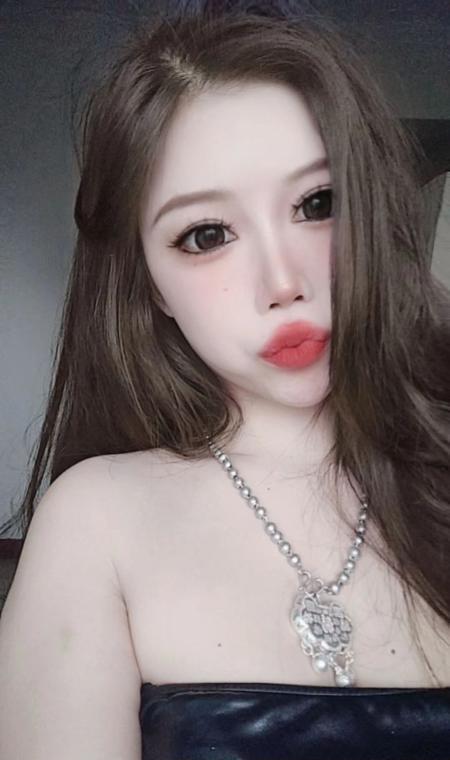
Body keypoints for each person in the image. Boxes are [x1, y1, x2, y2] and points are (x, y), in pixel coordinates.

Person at [0, 0, 449, 757]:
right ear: (151, 287)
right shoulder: (96, 524)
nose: (283, 282)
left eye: (319, 203)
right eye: (207, 234)